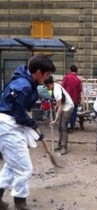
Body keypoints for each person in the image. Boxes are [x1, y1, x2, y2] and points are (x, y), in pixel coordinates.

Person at [0, 54, 56, 210]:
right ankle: (20, 203)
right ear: (38, 72)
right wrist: (33, 125)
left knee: (12, 164)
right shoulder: (23, 85)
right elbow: (19, 115)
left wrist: (33, 128)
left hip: (9, 124)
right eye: (47, 74)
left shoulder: (25, 82)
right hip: (7, 125)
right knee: (24, 167)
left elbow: (20, 113)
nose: (47, 78)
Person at [44, 75, 74, 155]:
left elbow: (60, 106)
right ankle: (60, 145)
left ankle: (64, 147)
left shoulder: (56, 90)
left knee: (63, 126)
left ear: (50, 84)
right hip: (63, 106)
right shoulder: (55, 86)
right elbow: (58, 103)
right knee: (60, 127)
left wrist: (55, 119)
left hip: (68, 107)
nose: (47, 88)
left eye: (47, 86)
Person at [62, 65, 82, 132]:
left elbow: (62, 87)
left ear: (70, 70)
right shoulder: (78, 80)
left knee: (66, 113)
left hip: (67, 99)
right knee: (73, 113)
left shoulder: (66, 77)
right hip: (75, 99)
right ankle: (71, 127)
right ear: (76, 71)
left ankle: (65, 126)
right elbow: (79, 90)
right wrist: (79, 99)